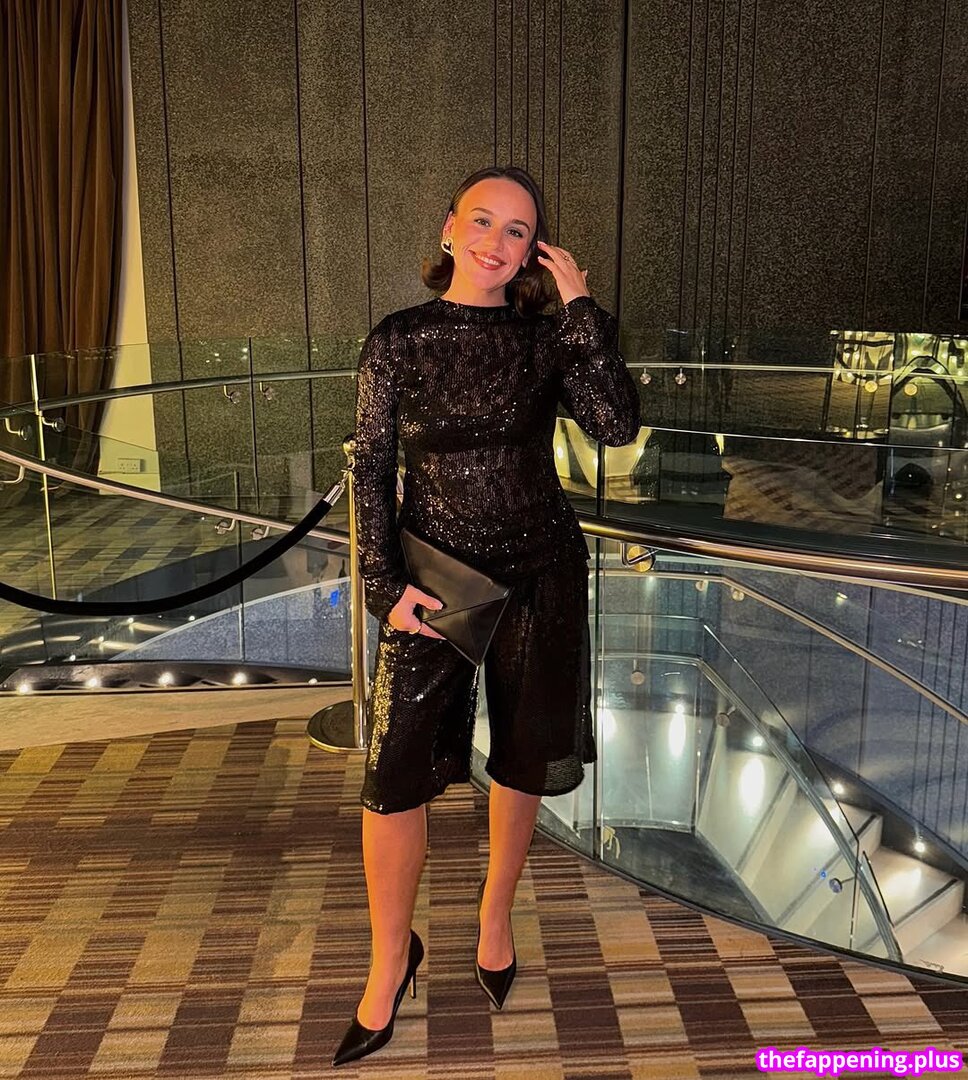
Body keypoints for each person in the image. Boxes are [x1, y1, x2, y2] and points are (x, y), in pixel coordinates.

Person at [333, 165, 640, 1067]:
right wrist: (383, 587)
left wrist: (582, 311)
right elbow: (370, 468)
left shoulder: (548, 339)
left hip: (541, 570)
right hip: (437, 582)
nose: (496, 242)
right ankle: (391, 958)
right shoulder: (399, 340)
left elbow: (615, 425)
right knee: (394, 774)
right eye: (482, 221)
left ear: (536, 251)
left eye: (518, 230)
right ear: (448, 228)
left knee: (522, 754)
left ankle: (495, 914)